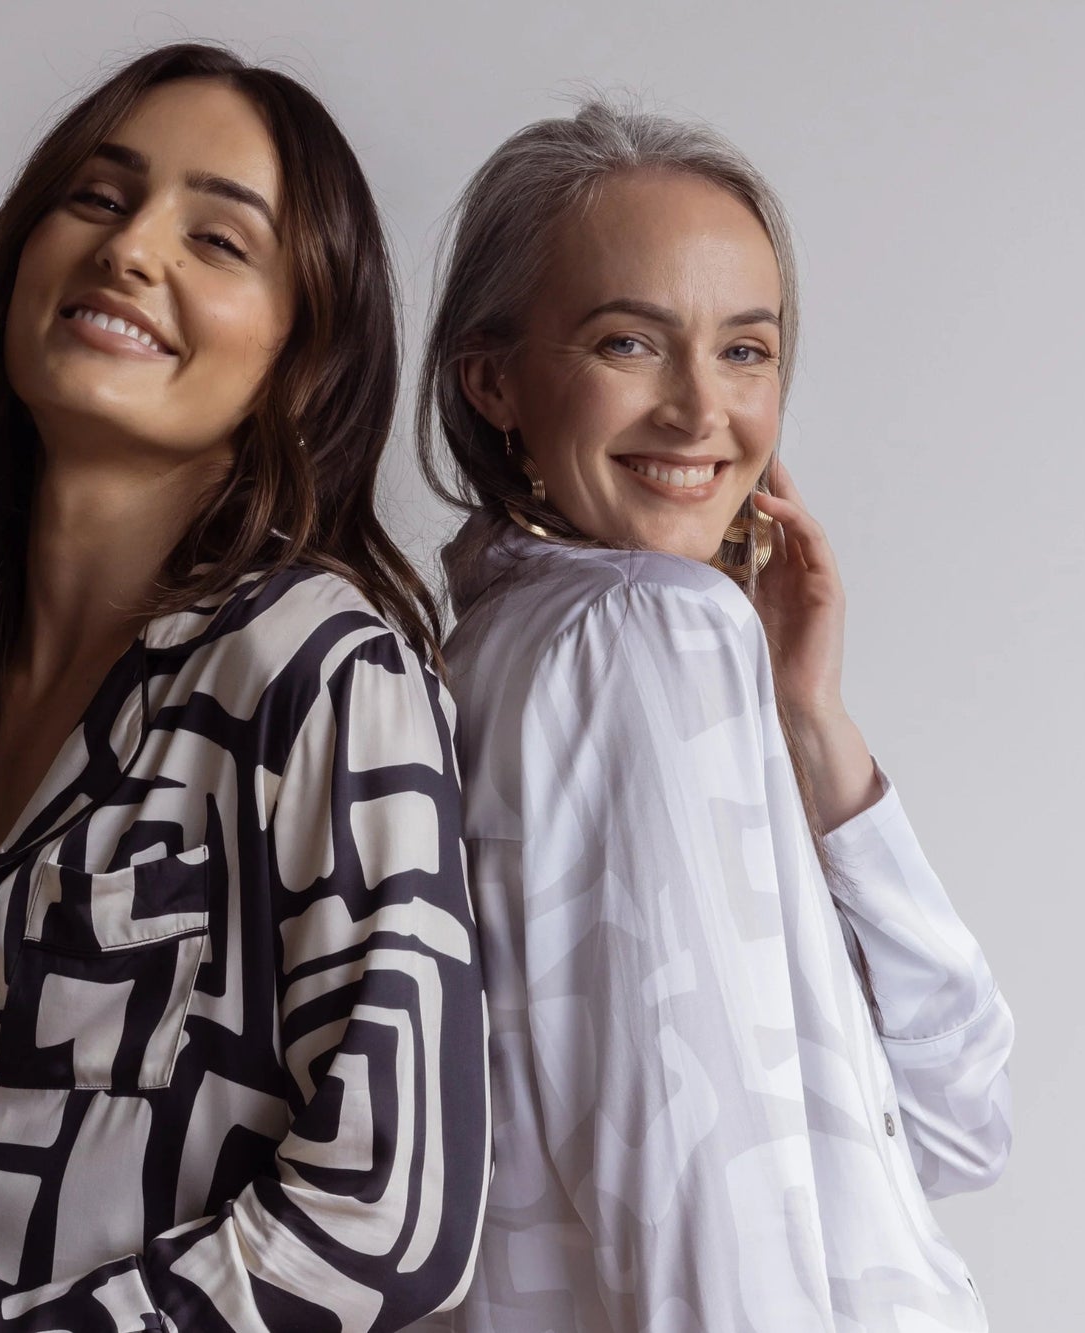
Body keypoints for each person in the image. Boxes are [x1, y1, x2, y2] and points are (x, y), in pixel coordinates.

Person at [0, 43, 489, 1333]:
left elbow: (392, 1217)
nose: (132, 250)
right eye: (98, 197)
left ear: (305, 352)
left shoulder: (314, 669)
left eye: (219, 239)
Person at [416, 102, 1014, 1331]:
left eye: (744, 350)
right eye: (629, 344)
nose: (700, 412)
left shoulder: (482, 654)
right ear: (493, 379)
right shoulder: (648, 632)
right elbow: (695, 1195)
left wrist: (809, 724)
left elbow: (952, 1124)